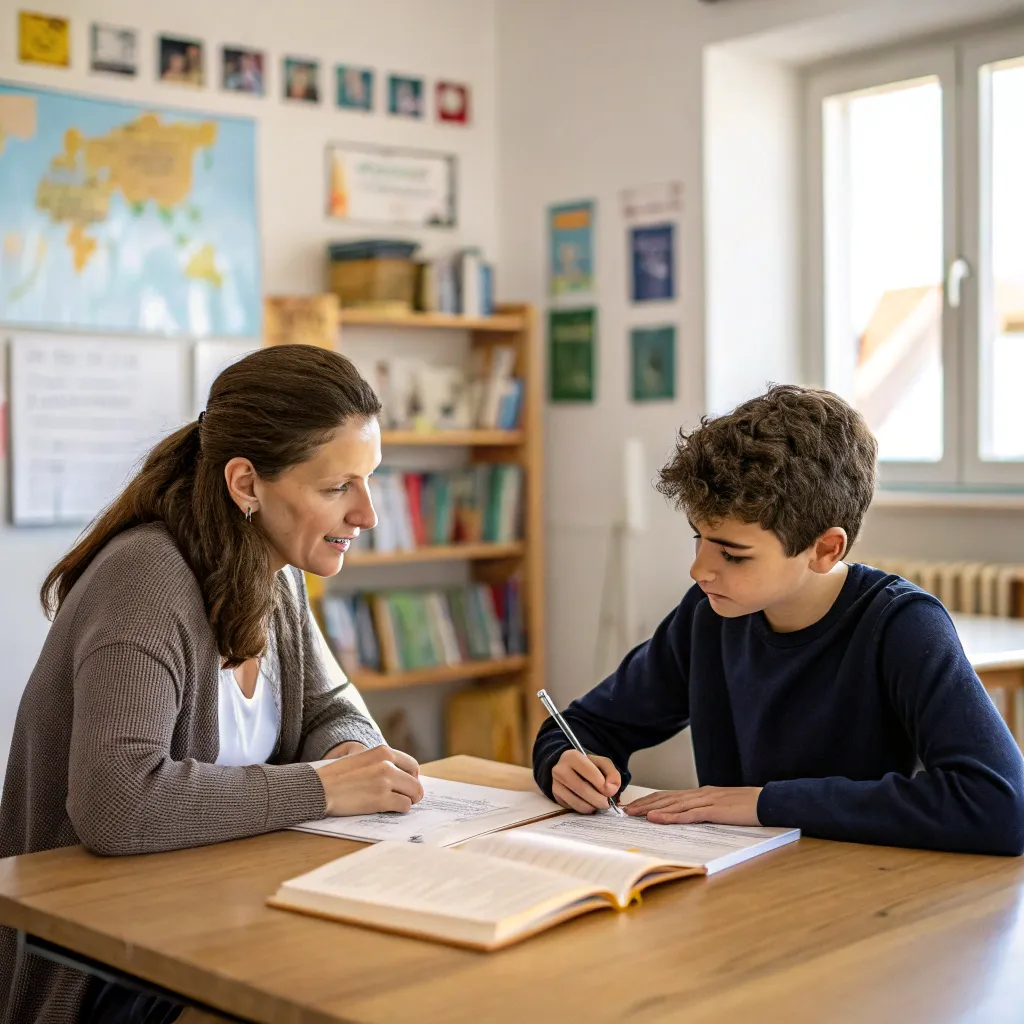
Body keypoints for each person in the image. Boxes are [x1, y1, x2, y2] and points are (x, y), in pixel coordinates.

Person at [0, 345, 423, 1023]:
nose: (367, 514)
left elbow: (333, 706)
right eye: (336, 487)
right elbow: (117, 803)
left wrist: (344, 752)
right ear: (246, 484)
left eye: (370, 480)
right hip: (108, 966)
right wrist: (319, 787)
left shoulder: (276, 572)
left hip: (226, 917)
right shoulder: (147, 578)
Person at [533, 384, 1024, 856]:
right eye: (698, 538)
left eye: (734, 554)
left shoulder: (902, 626)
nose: (700, 569)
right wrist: (562, 761)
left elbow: (1001, 806)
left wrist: (764, 802)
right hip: (744, 885)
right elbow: (583, 725)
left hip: (867, 895)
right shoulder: (708, 615)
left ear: (825, 549)